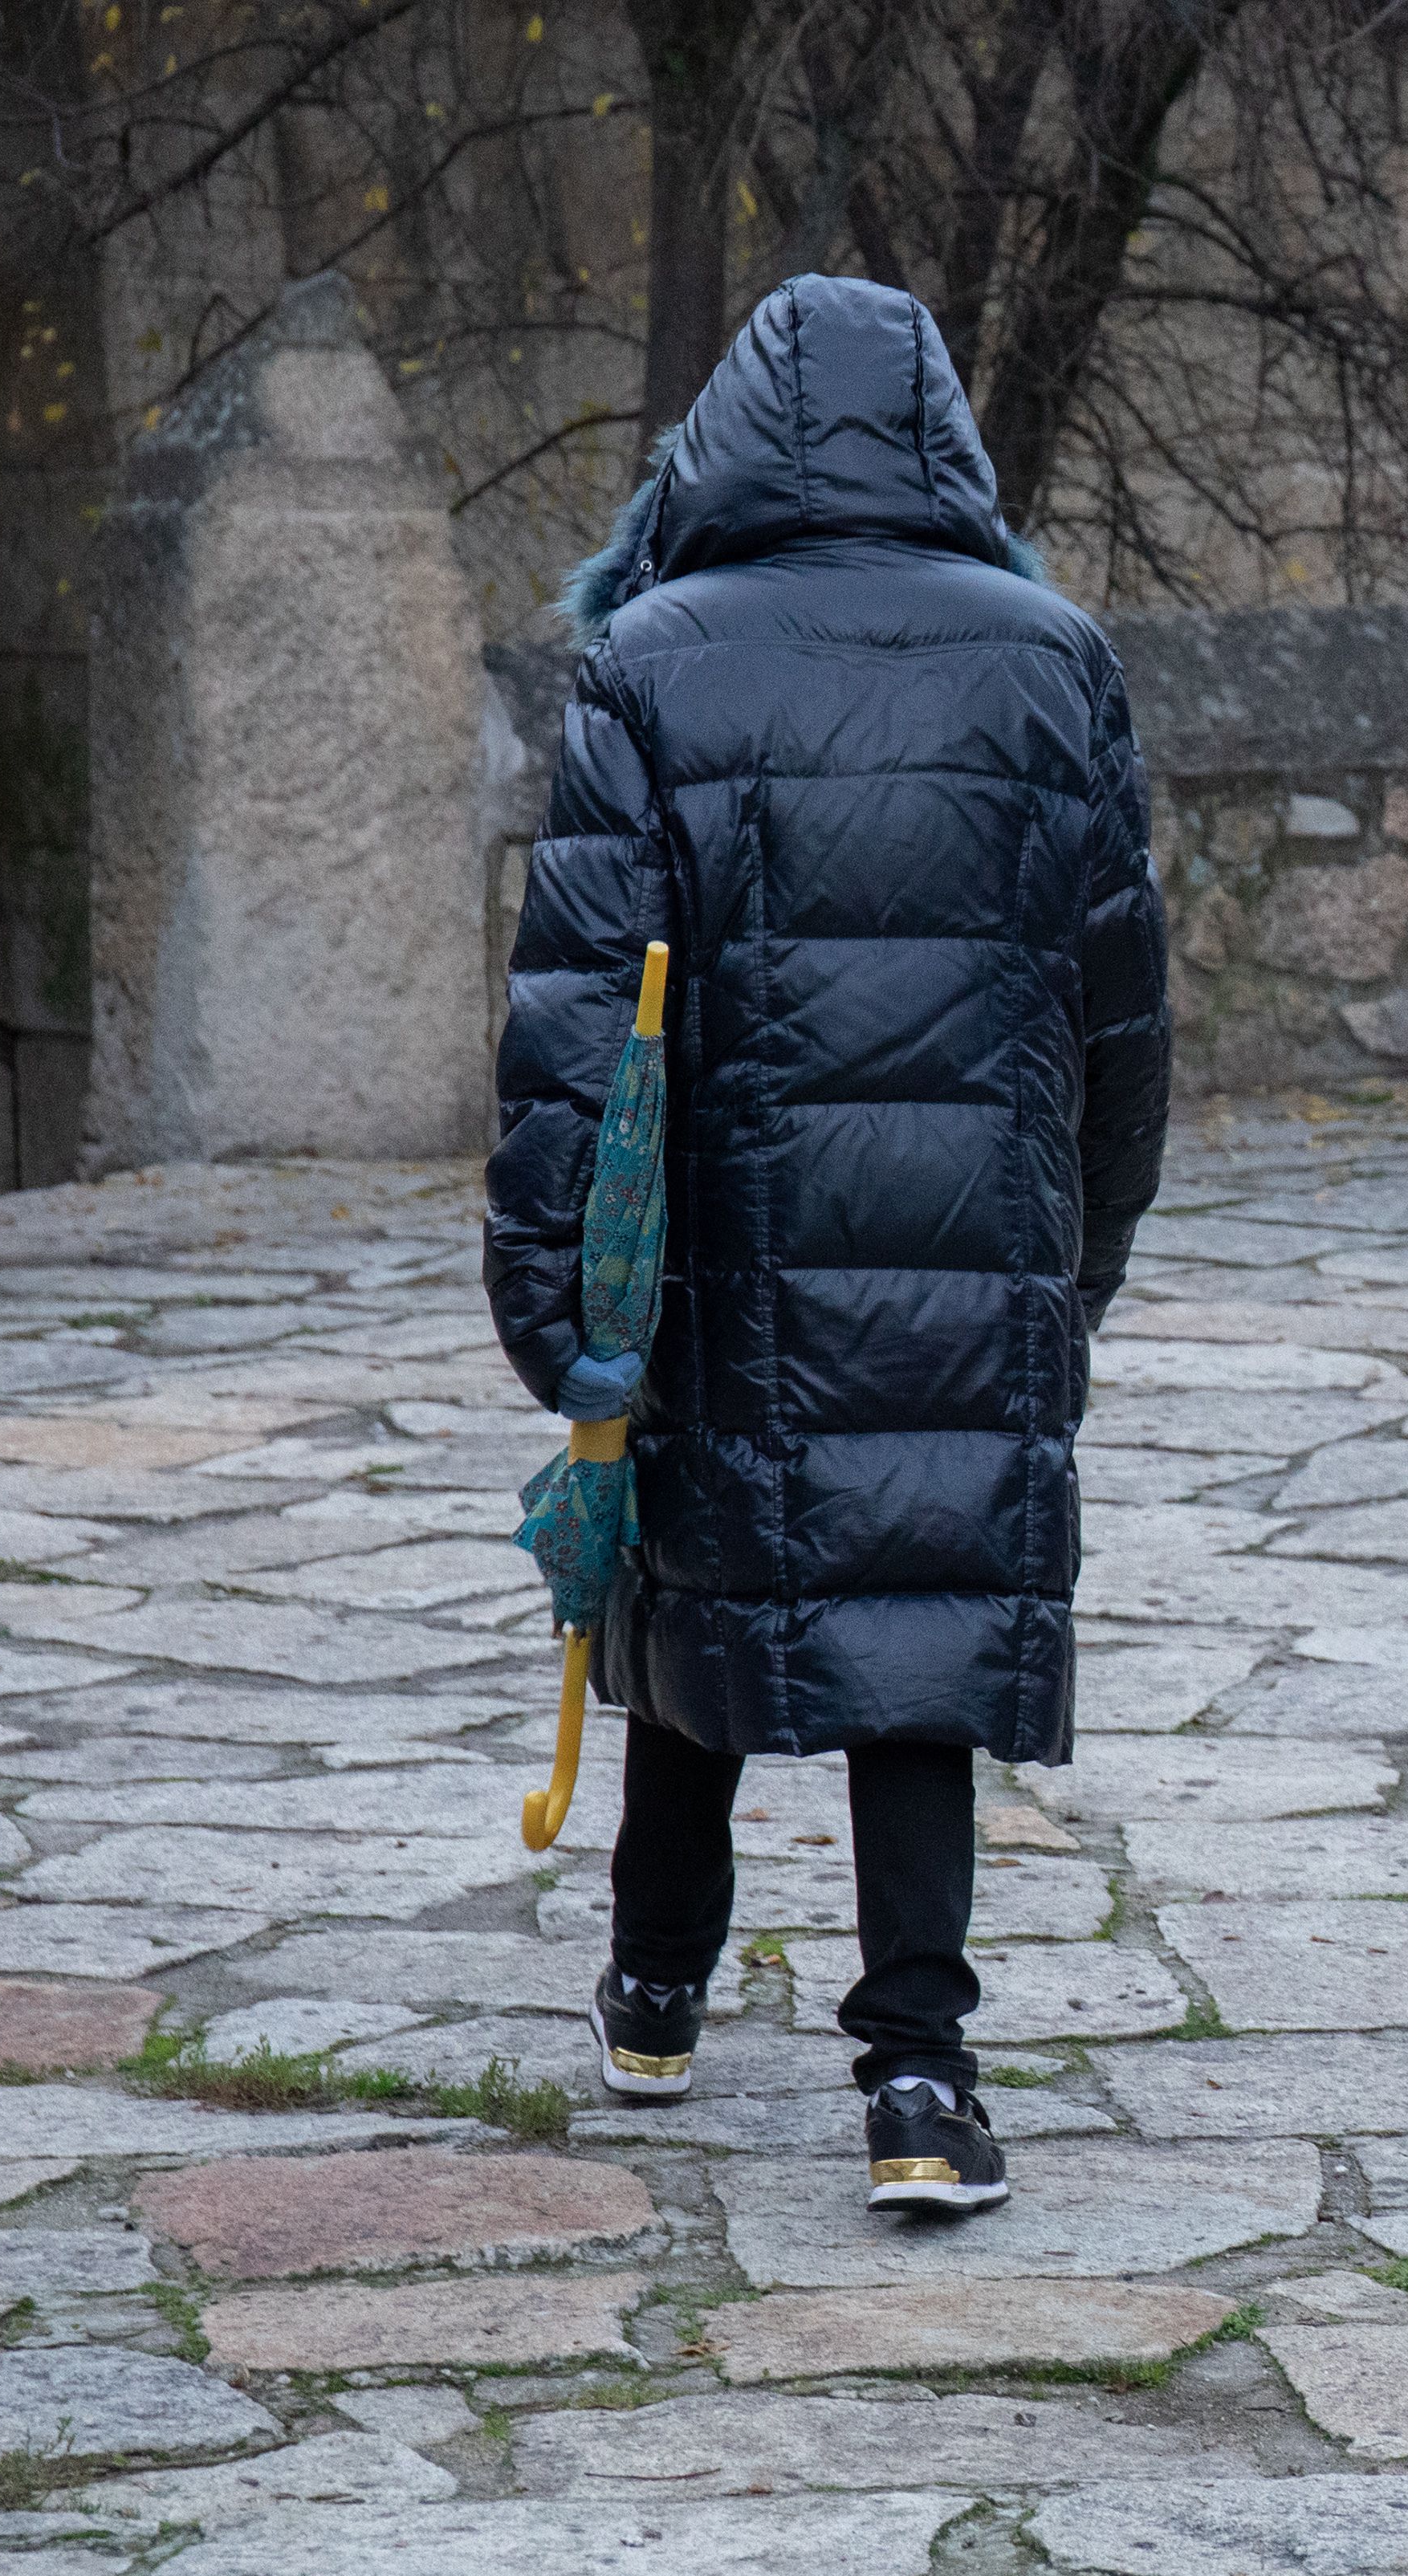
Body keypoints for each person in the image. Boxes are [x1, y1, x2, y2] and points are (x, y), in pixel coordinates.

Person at [486, 275, 1170, 2218]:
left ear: (725, 438)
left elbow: (570, 1024)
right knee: (919, 1639)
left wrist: (559, 1301)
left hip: (726, 1244)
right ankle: (920, 2077)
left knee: (694, 1613)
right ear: (940, 430)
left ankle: (651, 1992)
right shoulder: (1054, 659)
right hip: (974, 1241)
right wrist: (1079, 1258)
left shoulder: (654, 660)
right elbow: (1122, 1015)